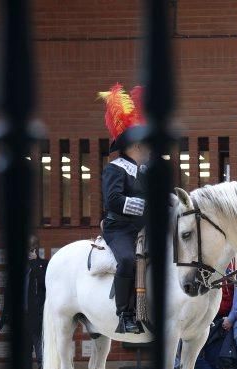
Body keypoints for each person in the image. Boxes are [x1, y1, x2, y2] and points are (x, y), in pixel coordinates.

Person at [98, 84, 149, 334]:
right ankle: (124, 313)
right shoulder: (115, 168)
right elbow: (113, 200)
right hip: (119, 229)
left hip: (145, 228)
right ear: (135, 146)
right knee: (128, 259)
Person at [0, 235, 49, 369]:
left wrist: (34, 263)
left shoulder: (44, 266)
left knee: (44, 362)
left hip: (39, 321)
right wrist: (5, 317)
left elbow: (44, 285)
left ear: (35, 249)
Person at [193, 271, 235, 369]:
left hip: (219, 320)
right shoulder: (201, 269)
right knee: (195, 359)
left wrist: (230, 318)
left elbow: (231, 299)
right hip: (198, 318)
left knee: (214, 361)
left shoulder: (229, 271)